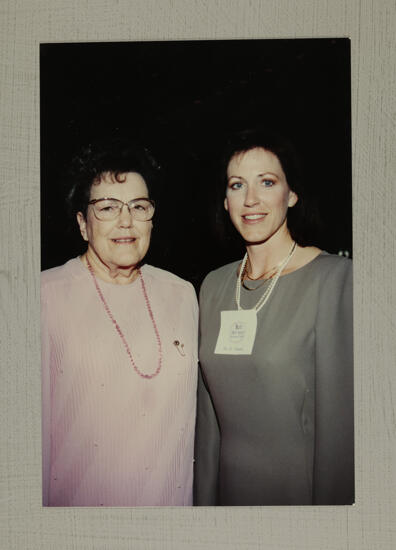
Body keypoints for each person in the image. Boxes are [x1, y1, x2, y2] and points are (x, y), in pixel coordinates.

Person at [194, 130, 354, 505]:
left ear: (292, 194)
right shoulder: (214, 287)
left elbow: (340, 432)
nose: (251, 200)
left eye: (267, 182)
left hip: (298, 497)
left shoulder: (335, 280)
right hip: (228, 497)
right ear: (225, 200)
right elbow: (208, 420)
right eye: (237, 185)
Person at [41, 139, 198, 506]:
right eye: (108, 207)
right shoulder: (44, 297)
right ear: (82, 223)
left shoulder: (182, 294)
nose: (126, 221)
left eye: (139, 206)